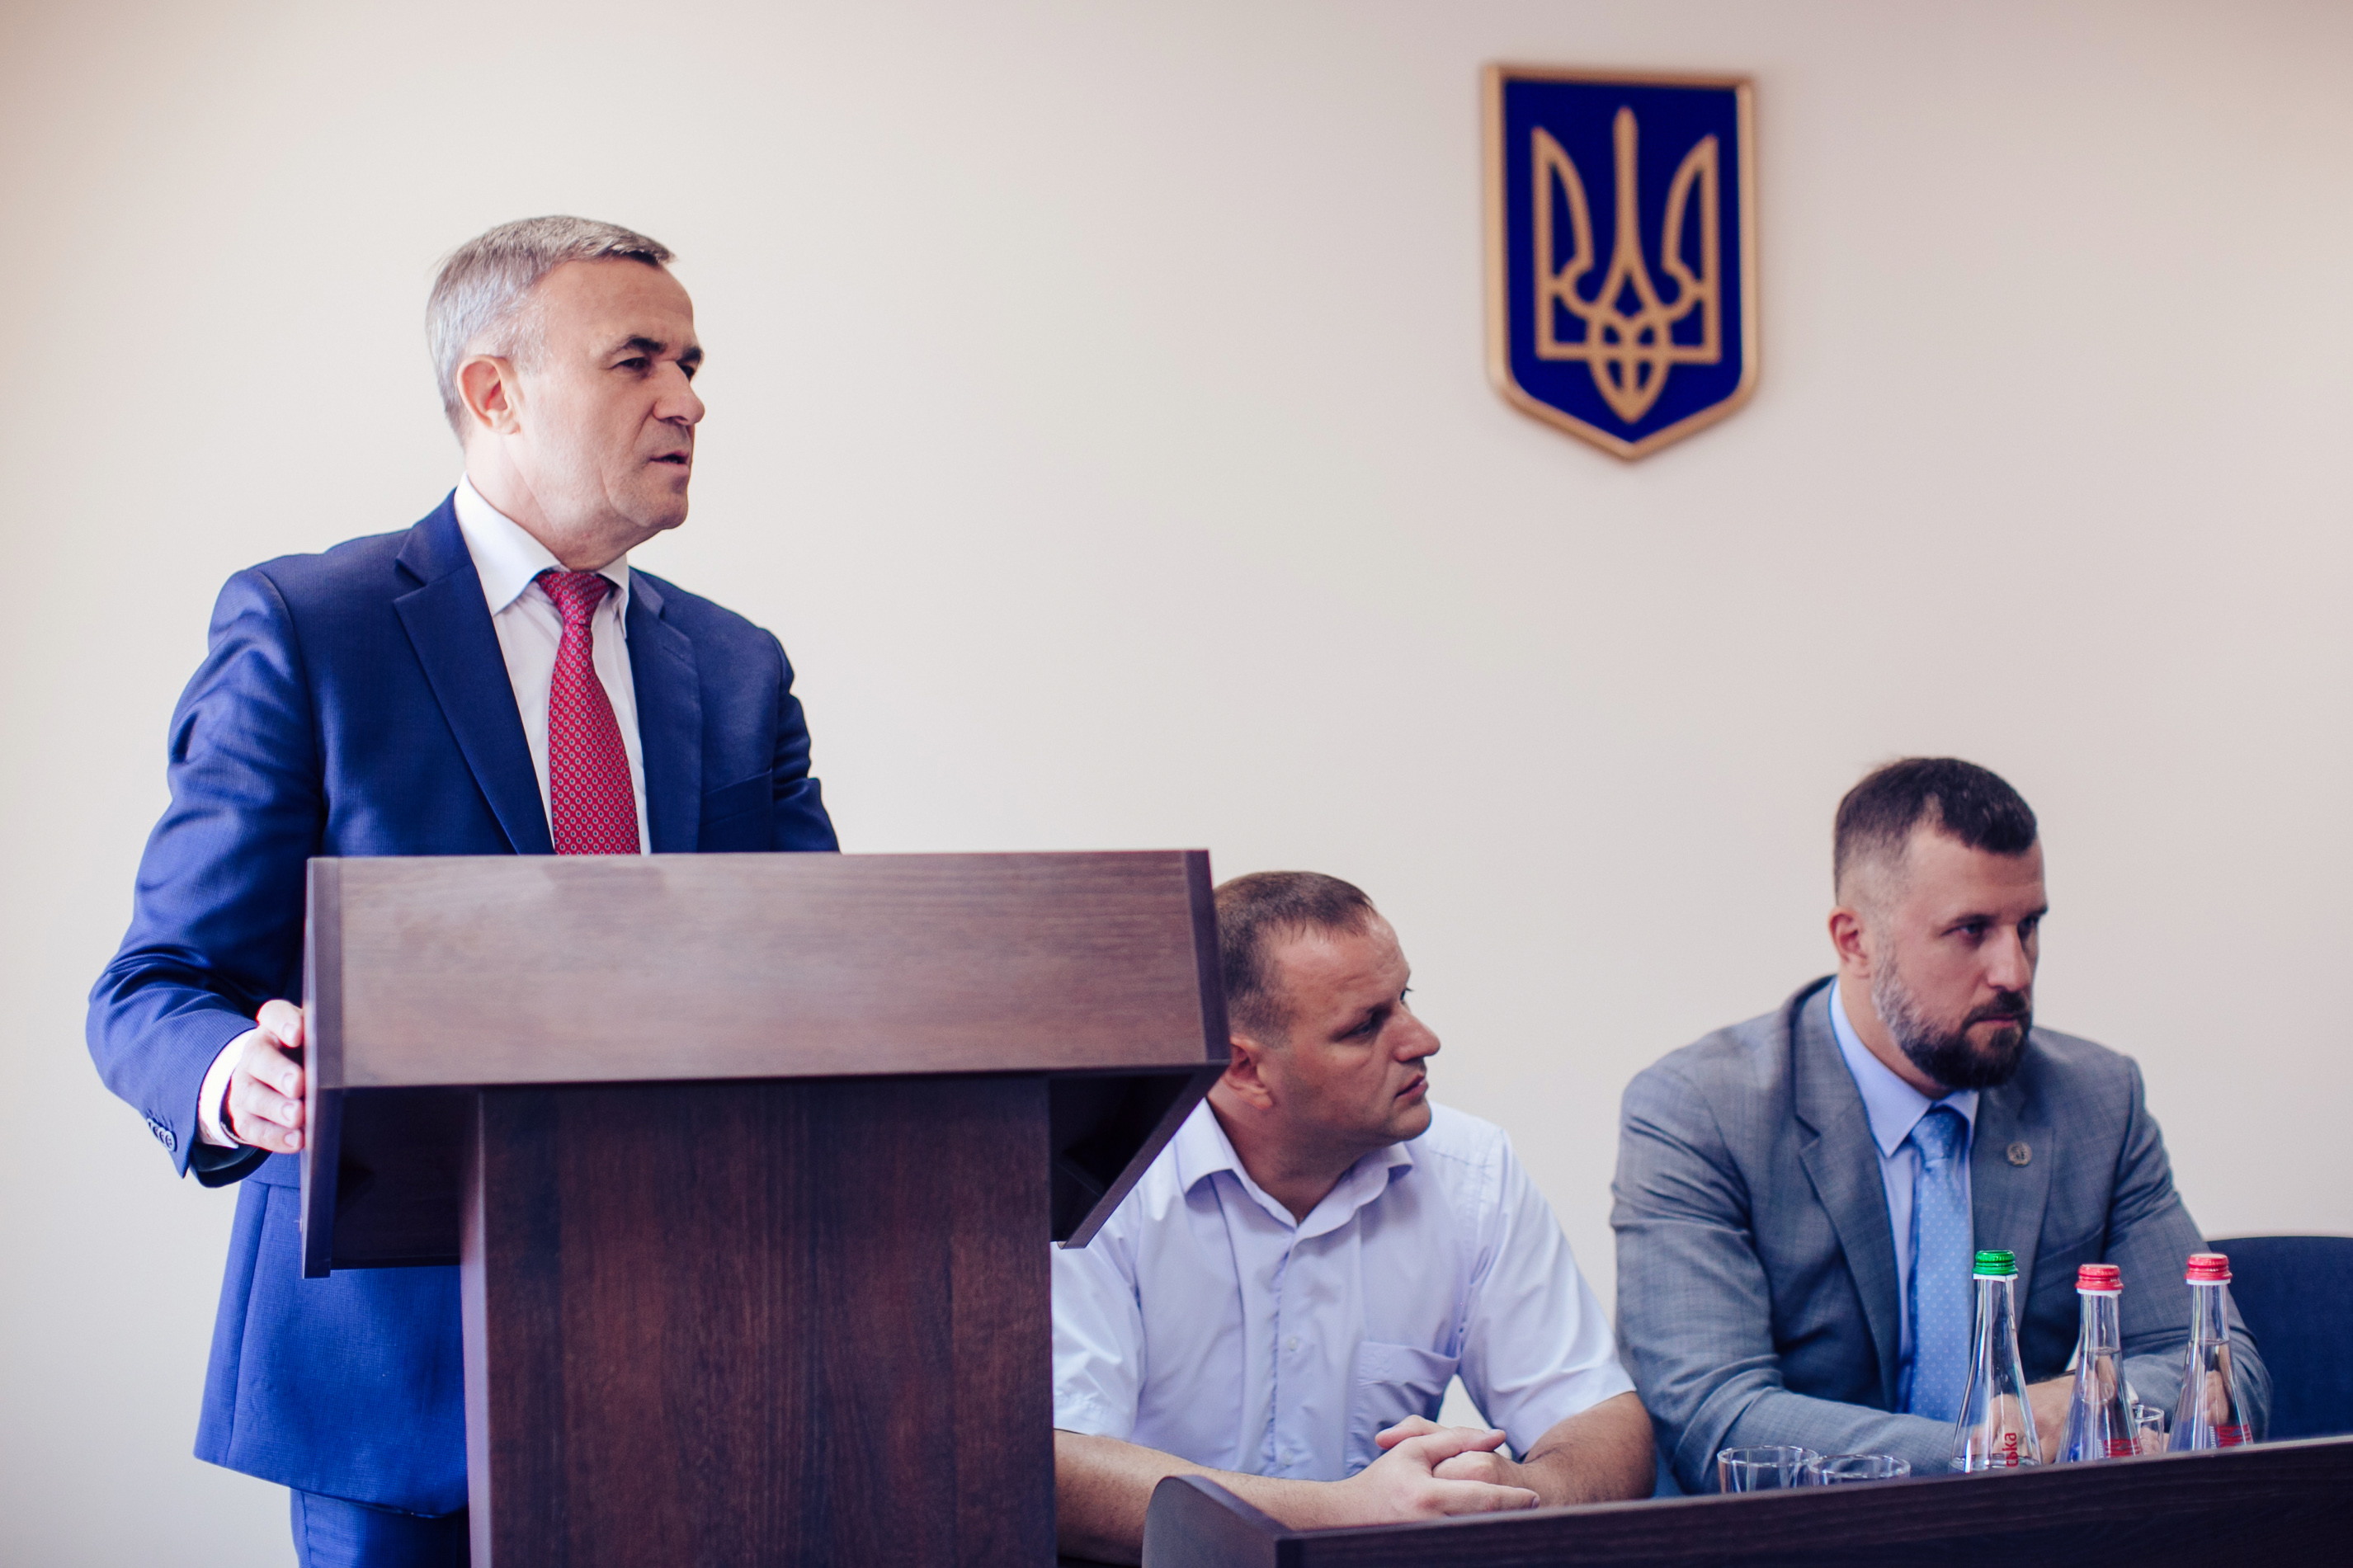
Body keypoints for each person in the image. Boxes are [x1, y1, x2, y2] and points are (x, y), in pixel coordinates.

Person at [86, 216, 837, 1566]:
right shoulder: (309, 629)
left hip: (701, 1366)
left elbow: (832, 975)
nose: (687, 399)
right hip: (397, 1383)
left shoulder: (739, 670)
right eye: (637, 361)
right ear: (495, 392)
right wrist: (237, 1079)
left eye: (691, 364)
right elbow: (155, 988)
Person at [1611, 758, 2268, 1490]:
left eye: (2028, 926)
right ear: (1855, 940)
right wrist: (1998, 1446)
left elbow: (2222, 1369)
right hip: (1806, 1539)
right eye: (1971, 929)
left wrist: (2076, 1407)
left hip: (2038, 1538)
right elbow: (1713, 1416)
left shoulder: (2096, 1101)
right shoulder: (1700, 1110)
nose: (2014, 971)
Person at [1053, 871, 1653, 1563]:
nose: (1422, 1039)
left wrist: (1515, 1491)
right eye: (1365, 1025)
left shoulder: (1473, 1171)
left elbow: (1602, 1419)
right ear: (1244, 1068)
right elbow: (1060, 1470)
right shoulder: (1100, 1183)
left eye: (1405, 998)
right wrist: (1346, 1515)